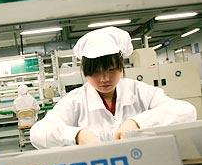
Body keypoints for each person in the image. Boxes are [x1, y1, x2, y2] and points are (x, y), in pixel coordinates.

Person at [30, 26, 197, 149]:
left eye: (111, 70)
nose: (104, 79)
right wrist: (77, 135)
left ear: (121, 65)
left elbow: (186, 112)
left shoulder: (137, 90)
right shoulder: (75, 101)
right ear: (85, 72)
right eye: (95, 72)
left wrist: (137, 123)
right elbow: (38, 133)